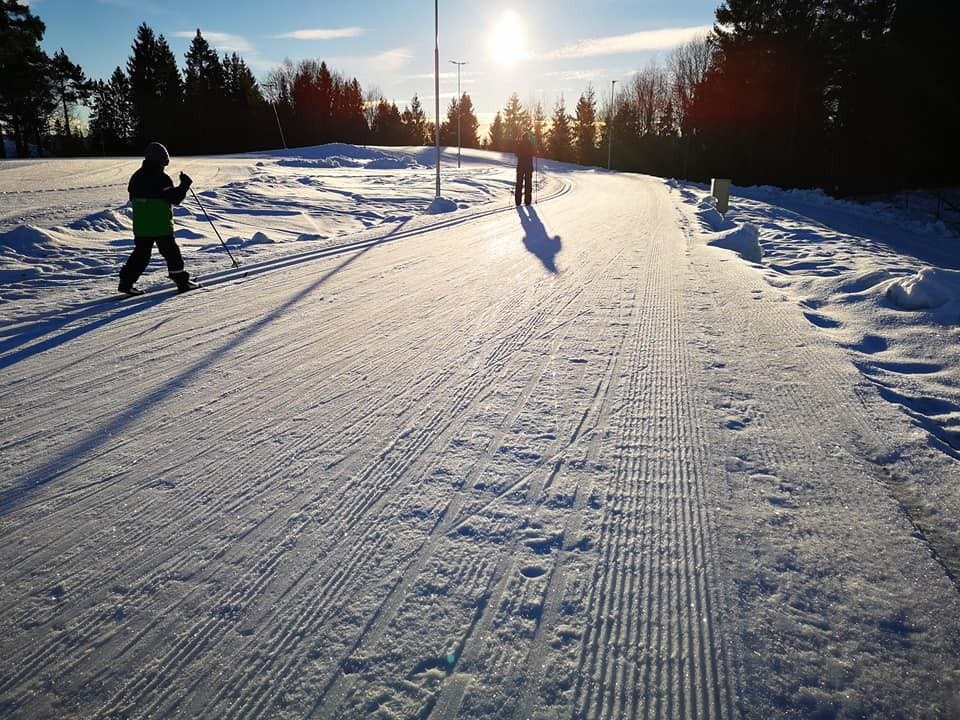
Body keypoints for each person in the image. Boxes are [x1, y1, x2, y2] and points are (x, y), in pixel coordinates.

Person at [118, 142, 200, 295]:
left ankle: (126, 282)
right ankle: (182, 281)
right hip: (160, 224)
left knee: (141, 254)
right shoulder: (161, 177)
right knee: (171, 252)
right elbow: (174, 199)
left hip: (142, 225)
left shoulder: (136, 176)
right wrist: (184, 185)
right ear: (162, 160)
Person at [515, 132, 535, 206]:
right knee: (528, 184)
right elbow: (533, 153)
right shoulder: (530, 145)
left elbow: (516, 154)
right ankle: (527, 201)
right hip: (528, 167)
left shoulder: (519, 144)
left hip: (520, 167)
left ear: (522, 137)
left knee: (519, 184)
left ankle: (518, 201)